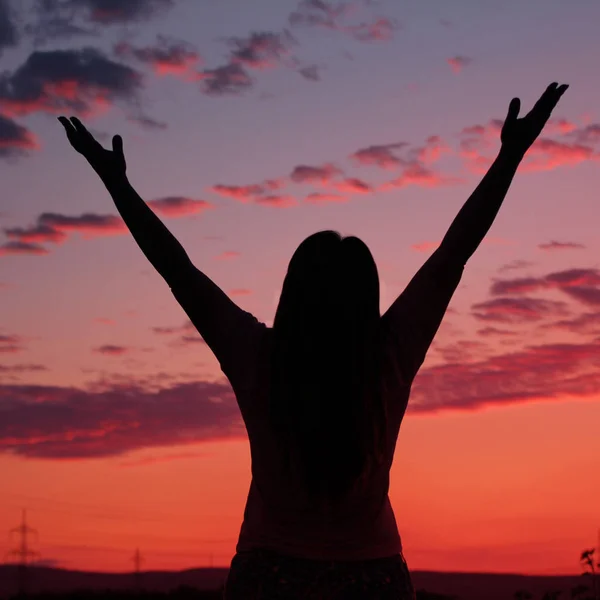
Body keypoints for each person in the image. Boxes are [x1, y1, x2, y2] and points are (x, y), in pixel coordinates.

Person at [58, 82, 568, 599]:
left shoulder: (259, 358)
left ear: (292, 294)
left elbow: (179, 272)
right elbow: (450, 257)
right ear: (364, 299)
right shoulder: (386, 358)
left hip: (269, 577)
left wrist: (116, 184)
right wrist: (510, 157)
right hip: (372, 579)